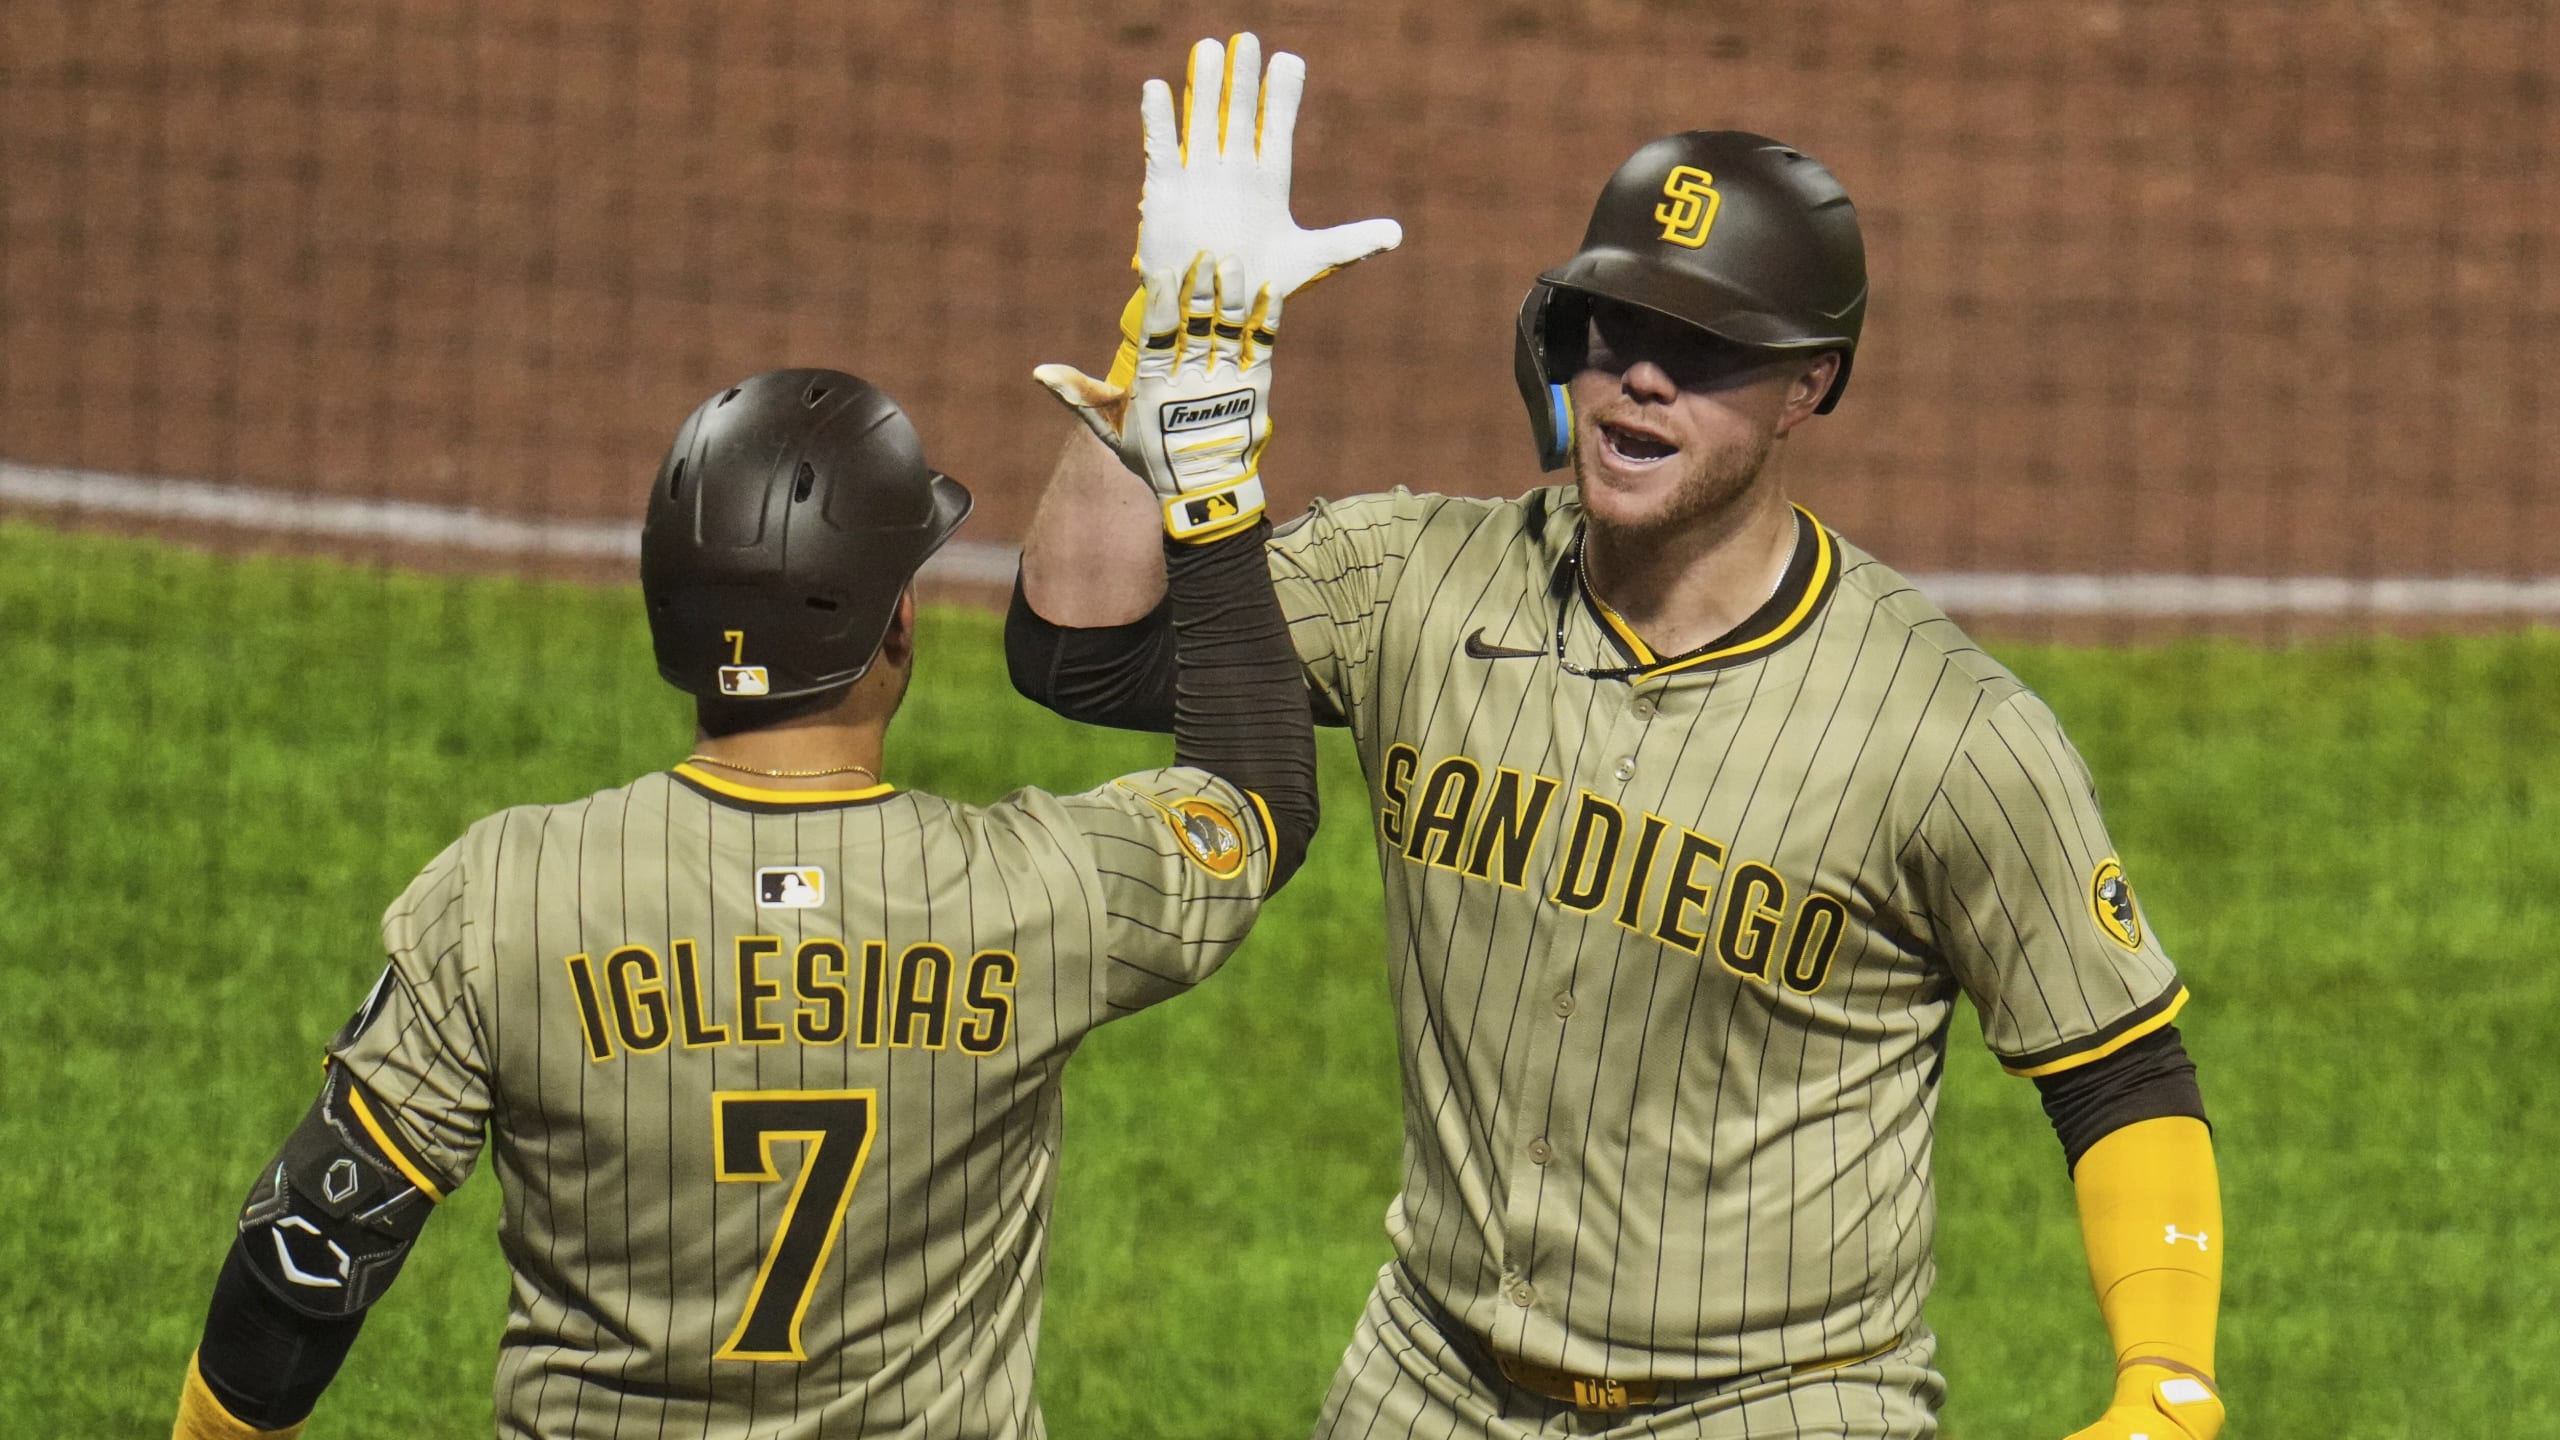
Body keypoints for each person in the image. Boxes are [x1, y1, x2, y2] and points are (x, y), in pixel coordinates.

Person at [1009, 35, 2227, 1440]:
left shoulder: (1948, 736)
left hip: (1775, 1406)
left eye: (1704, 350)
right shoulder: (1415, 582)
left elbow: (2117, 1067)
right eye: (1615, 327)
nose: (1643, 377)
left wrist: (2167, 1379)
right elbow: (1082, 651)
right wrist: (1158, 370)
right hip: (1428, 1377)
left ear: (1808, 385)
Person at [171, 348, 1317, 1438]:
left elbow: (312, 1245)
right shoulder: (1036, 896)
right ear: (897, 622)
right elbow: (1256, 796)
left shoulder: (508, 894)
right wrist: (1206, 489)